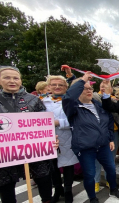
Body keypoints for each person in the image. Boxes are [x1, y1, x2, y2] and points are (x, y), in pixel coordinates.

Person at [62, 72, 119, 203]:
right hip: (85, 148)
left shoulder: (98, 105)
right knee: (89, 174)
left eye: (90, 87)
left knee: (111, 169)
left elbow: (108, 121)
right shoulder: (73, 108)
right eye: (85, 88)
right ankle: (92, 197)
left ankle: (113, 188)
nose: (89, 90)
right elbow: (68, 97)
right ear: (78, 90)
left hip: (103, 145)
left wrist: (111, 138)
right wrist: (82, 79)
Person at [0, 66, 59, 203]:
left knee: (44, 181)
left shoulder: (33, 100)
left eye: (15, 78)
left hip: (35, 151)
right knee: (6, 188)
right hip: (6, 154)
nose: (12, 81)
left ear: (20, 80)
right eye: (6, 77)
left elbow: (45, 125)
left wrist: (51, 139)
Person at [43, 75, 78, 203]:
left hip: (67, 137)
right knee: (53, 167)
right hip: (48, 139)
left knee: (68, 166)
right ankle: (58, 189)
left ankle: (68, 190)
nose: (57, 87)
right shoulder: (42, 101)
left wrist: (58, 122)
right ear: (49, 86)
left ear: (66, 87)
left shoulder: (72, 101)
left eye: (61, 85)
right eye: (54, 84)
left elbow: (77, 120)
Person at [92, 81, 119, 193]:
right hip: (99, 132)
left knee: (111, 158)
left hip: (114, 132)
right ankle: (96, 181)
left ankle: (110, 180)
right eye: (102, 86)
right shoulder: (94, 97)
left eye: (107, 86)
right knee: (97, 159)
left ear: (111, 89)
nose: (103, 87)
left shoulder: (115, 100)